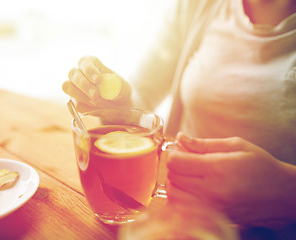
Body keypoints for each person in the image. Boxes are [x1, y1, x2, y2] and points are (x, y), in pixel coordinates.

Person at [62, 0, 296, 226]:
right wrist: (117, 104)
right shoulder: (197, 4)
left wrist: (286, 190)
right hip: (185, 221)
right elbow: (143, 97)